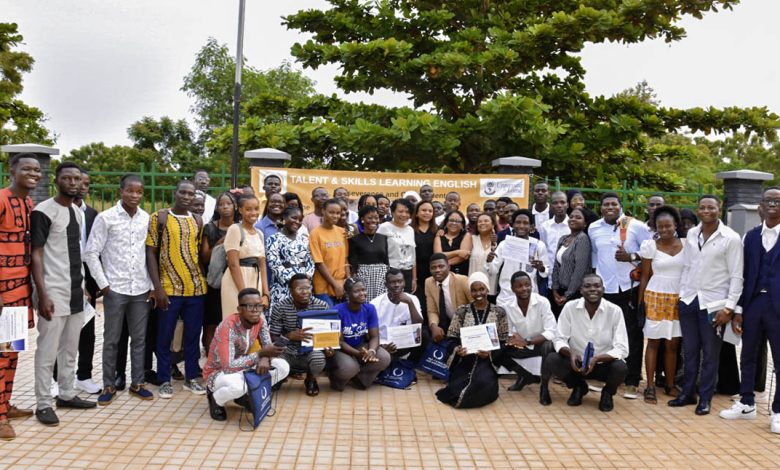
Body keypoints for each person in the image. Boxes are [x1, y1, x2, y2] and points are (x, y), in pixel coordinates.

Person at [31, 162, 96, 426]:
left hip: (75, 292)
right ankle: (43, 403)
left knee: (70, 349)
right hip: (53, 293)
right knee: (47, 351)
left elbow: (77, 254)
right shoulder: (43, 211)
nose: (73, 183)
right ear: (57, 180)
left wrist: (82, 287)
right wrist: (42, 294)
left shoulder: (78, 213)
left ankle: (67, 393)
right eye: (67, 178)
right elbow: (36, 254)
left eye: (77, 179)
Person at [669, 195, 743, 416]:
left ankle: (706, 399)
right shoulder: (692, 233)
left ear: (719, 209)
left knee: (710, 355)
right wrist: (681, 295)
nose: (706, 210)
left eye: (711, 207)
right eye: (702, 207)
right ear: (697, 210)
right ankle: (687, 393)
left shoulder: (731, 238)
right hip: (690, 300)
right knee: (690, 351)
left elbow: (737, 276)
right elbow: (687, 267)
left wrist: (729, 308)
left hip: (714, 304)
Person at [84, 174, 155, 405]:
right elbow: (91, 252)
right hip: (115, 289)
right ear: (120, 191)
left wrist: (153, 286)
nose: (135, 195)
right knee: (112, 339)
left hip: (141, 289)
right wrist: (103, 283)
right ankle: (109, 384)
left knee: (140, 339)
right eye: (130, 191)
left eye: (139, 192)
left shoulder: (146, 218)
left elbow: (150, 254)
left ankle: (138, 383)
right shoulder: (106, 218)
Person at [719, 187, 780, 434]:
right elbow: (743, 274)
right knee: (748, 355)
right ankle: (746, 402)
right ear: (760, 207)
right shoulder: (750, 237)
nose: (773, 204)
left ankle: (778, 411)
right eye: (768, 200)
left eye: (778, 200)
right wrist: (739, 309)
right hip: (754, 304)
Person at [146, 179, 208, 399]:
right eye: (183, 192)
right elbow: (151, 253)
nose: (187, 197)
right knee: (165, 336)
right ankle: (164, 379)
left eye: (191, 194)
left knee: (192, 336)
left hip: (196, 288)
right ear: (175, 193)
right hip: (169, 288)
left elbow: (199, 253)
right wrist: (158, 288)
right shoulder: (159, 217)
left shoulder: (198, 220)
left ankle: (191, 377)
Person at [588, 192, 651, 400]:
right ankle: (604, 374)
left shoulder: (636, 226)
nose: (609, 207)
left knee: (632, 333)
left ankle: (632, 380)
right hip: (605, 289)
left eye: (614, 204)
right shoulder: (594, 228)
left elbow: (651, 253)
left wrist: (631, 257)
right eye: (605, 204)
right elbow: (595, 256)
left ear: (620, 206)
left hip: (628, 287)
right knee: (605, 332)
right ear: (600, 207)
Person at [541, 273, 629, 412]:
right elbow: (559, 338)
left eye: (597, 286)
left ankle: (607, 394)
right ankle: (579, 387)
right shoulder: (570, 307)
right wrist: (571, 354)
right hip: (576, 364)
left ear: (603, 289)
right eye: (587, 286)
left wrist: (597, 359)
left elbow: (622, 348)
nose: (592, 289)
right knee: (552, 359)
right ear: (581, 290)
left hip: (602, 364)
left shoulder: (614, 311)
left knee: (620, 368)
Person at [0, 153, 40, 440]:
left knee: (12, 354)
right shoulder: (1, 199)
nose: (33, 173)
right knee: (2, 356)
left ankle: (5, 405)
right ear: (11, 171)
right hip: (3, 296)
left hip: (20, 295)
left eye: (37, 170)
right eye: (26, 168)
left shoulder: (28, 203)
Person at [204, 288, 289, 421]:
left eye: (259, 305)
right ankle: (215, 398)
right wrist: (260, 355)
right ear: (239, 309)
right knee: (239, 386)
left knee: (283, 367)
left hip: (243, 365)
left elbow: (267, 346)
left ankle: (245, 394)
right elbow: (228, 366)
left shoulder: (260, 319)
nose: (255, 310)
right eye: (250, 306)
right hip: (219, 372)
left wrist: (265, 358)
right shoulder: (228, 327)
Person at [435, 272, 509, 408]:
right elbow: (452, 337)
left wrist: (490, 354)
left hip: (486, 362)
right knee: (456, 387)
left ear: (487, 289)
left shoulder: (499, 312)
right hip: (466, 360)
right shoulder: (462, 311)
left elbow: (503, 342)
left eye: (481, 289)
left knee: (483, 382)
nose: (478, 293)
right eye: (474, 290)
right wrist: (458, 350)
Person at [636, 206, 684, 404]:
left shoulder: (687, 245)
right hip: (655, 296)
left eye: (668, 226)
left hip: (678, 298)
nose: (664, 230)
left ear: (676, 225)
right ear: (655, 227)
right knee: (654, 342)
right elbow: (645, 276)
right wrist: (641, 303)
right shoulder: (650, 246)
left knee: (672, 344)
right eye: (660, 227)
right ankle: (649, 386)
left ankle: (670, 384)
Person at [63, 170, 101, 395]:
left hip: (88, 280)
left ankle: (84, 376)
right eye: (78, 182)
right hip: (64, 279)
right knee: (63, 332)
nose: (82, 186)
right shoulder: (60, 211)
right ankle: (58, 379)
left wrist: (93, 283)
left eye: (86, 183)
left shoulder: (93, 214)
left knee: (87, 331)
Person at [269, 274, 330, 397]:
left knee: (318, 360)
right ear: (290, 291)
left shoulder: (322, 306)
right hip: (287, 350)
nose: (305, 292)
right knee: (275, 361)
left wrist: (328, 346)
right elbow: (274, 337)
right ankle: (281, 376)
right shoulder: (280, 307)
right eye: (299, 289)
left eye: (308, 288)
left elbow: (328, 334)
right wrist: (289, 336)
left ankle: (311, 379)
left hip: (311, 350)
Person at [328, 278, 391, 391]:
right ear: (347, 294)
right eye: (357, 291)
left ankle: (360, 377)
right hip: (341, 350)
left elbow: (374, 336)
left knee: (384, 357)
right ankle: (336, 378)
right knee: (349, 367)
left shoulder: (369, 308)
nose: (362, 293)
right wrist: (357, 354)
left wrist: (371, 351)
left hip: (360, 346)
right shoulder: (337, 310)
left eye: (363, 290)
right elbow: (339, 341)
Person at [501, 271, 557, 392]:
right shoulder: (508, 306)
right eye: (519, 286)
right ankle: (524, 375)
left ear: (532, 286)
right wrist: (511, 340)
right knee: (497, 349)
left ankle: (544, 387)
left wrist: (527, 341)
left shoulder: (542, 302)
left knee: (549, 346)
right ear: (512, 289)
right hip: (523, 346)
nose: (524, 288)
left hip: (541, 344)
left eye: (527, 285)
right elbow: (508, 332)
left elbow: (551, 331)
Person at [200, 191, 238, 352]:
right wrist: (220, 243)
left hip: (235, 281)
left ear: (235, 206)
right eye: (221, 204)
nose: (225, 207)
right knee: (211, 323)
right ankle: (211, 359)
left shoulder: (240, 228)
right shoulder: (210, 228)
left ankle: (231, 357)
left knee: (233, 321)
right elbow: (204, 258)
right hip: (215, 283)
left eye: (228, 203)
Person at [221, 195, 270, 319]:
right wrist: (244, 295)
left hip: (255, 280)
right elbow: (233, 264)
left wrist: (265, 294)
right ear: (240, 210)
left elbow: (262, 264)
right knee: (236, 319)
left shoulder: (259, 233)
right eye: (248, 209)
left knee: (254, 321)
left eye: (256, 209)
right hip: (236, 282)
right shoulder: (235, 229)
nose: (253, 213)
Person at [487, 209, 549, 307]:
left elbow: (546, 272)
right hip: (506, 297)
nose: (521, 226)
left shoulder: (538, 245)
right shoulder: (505, 244)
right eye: (518, 222)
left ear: (531, 227)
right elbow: (493, 271)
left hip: (530, 296)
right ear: (513, 225)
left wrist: (541, 268)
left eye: (525, 223)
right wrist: (489, 262)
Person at [370, 269, 425, 362]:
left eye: (400, 281)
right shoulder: (375, 303)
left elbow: (418, 325)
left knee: (425, 335)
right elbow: (371, 333)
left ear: (404, 282)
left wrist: (410, 303)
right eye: (392, 282)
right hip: (384, 344)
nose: (397, 285)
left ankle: (410, 366)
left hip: (405, 343)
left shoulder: (412, 299)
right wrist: (382, 346)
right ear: (386, 284)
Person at [266, 206, 315, 307]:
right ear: (284, 218)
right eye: (294, 218)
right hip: (283, 286)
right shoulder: (274, 239)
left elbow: (310, 260)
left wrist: (305, 279)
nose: (297, 222)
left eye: (300, 220)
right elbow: (274, 263)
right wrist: (293, 282)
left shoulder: (305, 239)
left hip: (304, 287)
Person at [550, 208, 591, 316]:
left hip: (575, 293)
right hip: (560, 291)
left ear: (585, 223)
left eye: (578, 217)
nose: (573, 219)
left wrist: (567, 295)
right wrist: (555, 290)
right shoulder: (563, 239)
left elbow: (579, 271)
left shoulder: (582, 239)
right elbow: (556, 266)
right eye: (571, 217)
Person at [310, 198, 348, 306]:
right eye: (331, 212)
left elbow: (345, 259)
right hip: (323, 288)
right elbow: (319, 263)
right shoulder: (315, 234)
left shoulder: (342, 232)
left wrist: (347, 280)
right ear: (323, 211)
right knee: (330, 319)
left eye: (338, 213)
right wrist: (335, 285)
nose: (335, 216)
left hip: (342, 285)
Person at [426, 253, 472, 343]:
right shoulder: (428, 282)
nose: (437, 270)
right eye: (433, 268)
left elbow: (476, 305)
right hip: (446, 325)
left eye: (441, 266)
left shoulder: (462, 280)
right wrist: (433, 326)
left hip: (467, 324)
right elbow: (432, 310)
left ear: (448, 267)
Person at [348, 205, 389, 301]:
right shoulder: (355, 239)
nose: (373, 221)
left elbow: (386, 260)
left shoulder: (383, 238)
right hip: (363, 276)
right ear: (362, 219)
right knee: (364, 302)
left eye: (376, 218)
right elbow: (353, 261)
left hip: (381, 277)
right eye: (369, 218)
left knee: (381, 303)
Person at [377, 198, 416, 293]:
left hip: (408, 272)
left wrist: (414, 278)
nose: (404, 215)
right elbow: (379, 252)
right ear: (392, 212)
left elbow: (413, 255)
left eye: (407, 212)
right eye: (400, 211)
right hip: (391, 272)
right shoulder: (384, 227)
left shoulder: (410, 229)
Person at [538, 191, 570, 291]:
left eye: (562, 202)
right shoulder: (544, 226)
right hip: (548, 276)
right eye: (555, 203)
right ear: (551, 206)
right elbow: (543, 250)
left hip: (568, 278)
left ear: (567, 205)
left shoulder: (572, 226)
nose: (559, 206)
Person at [412, 201, 437, 320]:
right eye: (423, 210)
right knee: (420, 304)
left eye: (430, 211)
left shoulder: (438, 231)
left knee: (433, 304)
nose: (427, 213)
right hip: (416, 274)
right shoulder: (410, 230)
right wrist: (414, 278)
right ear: (416, 213)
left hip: (434, 273)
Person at [468, 212, 498, 297]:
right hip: (472, 288)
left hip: (491, 288)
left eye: (486, 221)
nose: (482, 223)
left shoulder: (498, 242)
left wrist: (495, 243)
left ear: (493, 225)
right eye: (480, 221)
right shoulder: (471, 239)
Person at [434, 210, 472, 276]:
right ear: (446, 222)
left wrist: (443, 266)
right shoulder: (439, 236)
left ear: (462, 224)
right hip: (441, 275)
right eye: (451, 220)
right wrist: (457, 252)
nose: (454, 223)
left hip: (460, 274)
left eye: (458, 221)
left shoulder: (467, 235)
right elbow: (438, 256)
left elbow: (462, 256)